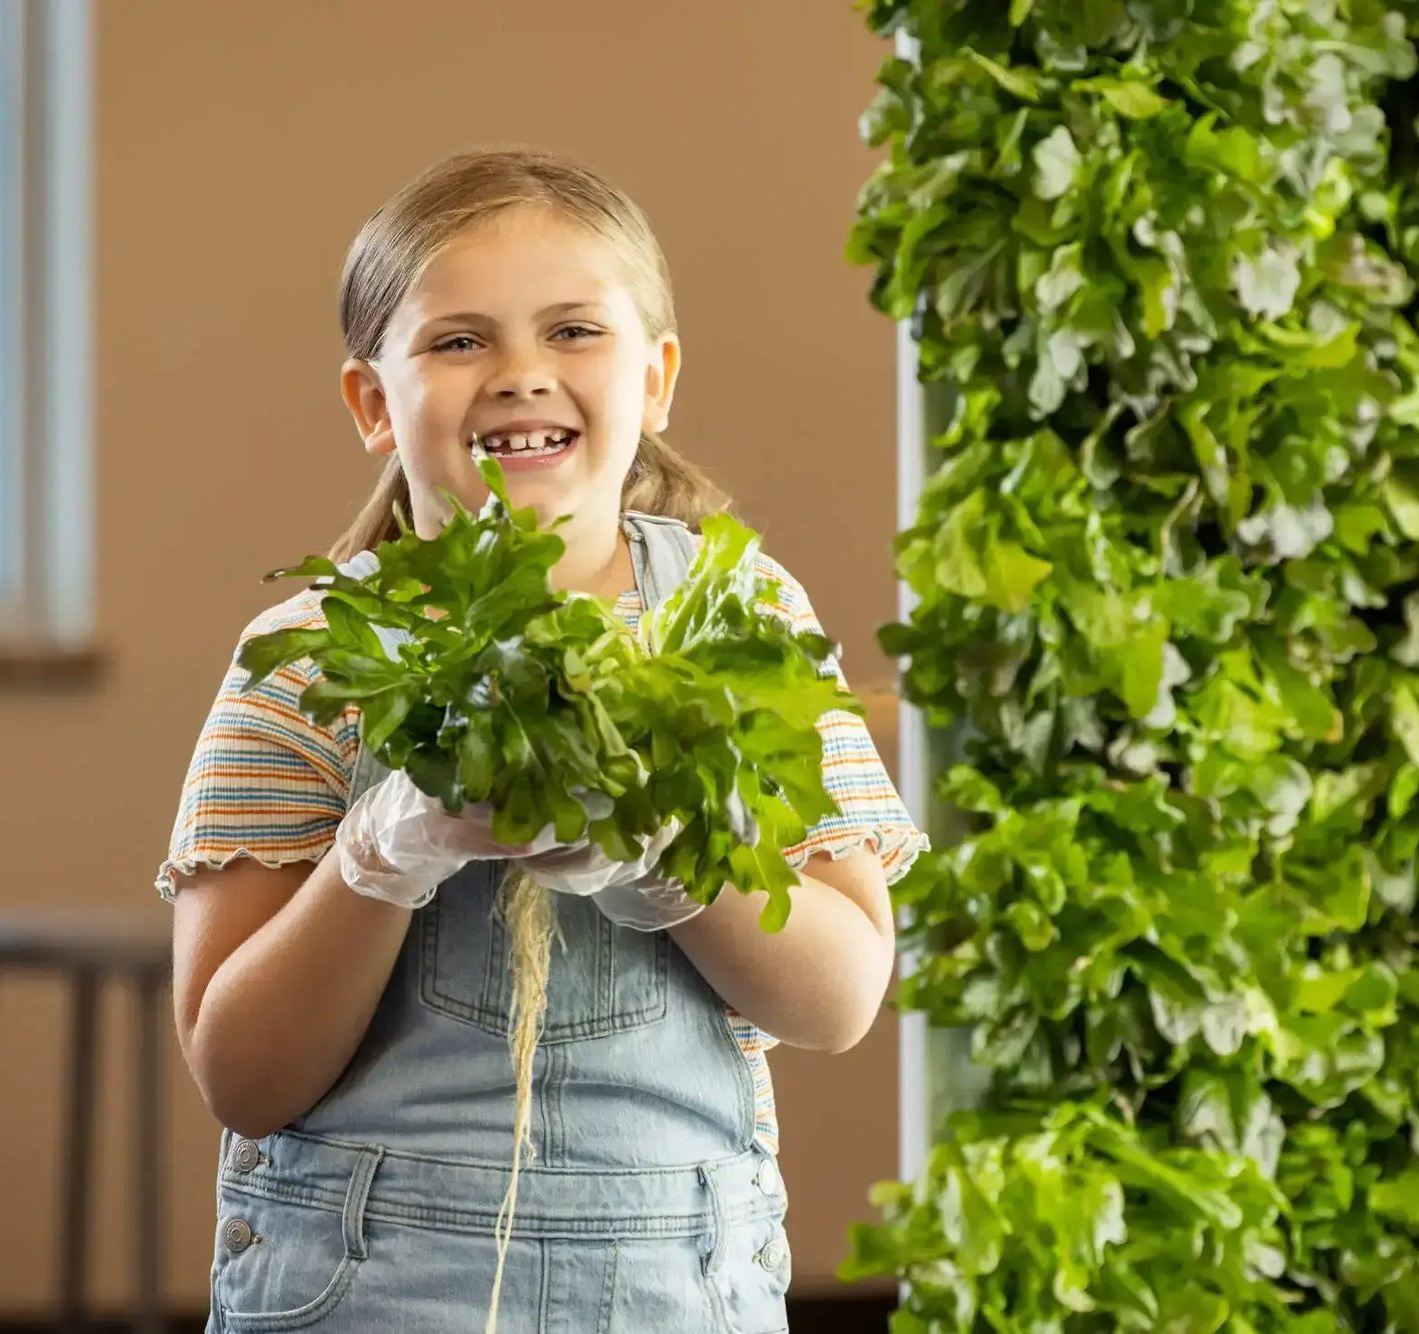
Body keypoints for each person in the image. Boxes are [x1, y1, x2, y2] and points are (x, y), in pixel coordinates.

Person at [156, 144, 928, 1333]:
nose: (521, 375)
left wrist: (671, 858)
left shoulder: (739, 619)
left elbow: (837, 998)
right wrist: (385, 848)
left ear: (656, 378)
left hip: (676, 1288)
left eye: (573, 331)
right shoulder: (312, 657)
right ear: (373, 402)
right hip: (369, 1288)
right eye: (459, 340)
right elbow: (242, 1074)